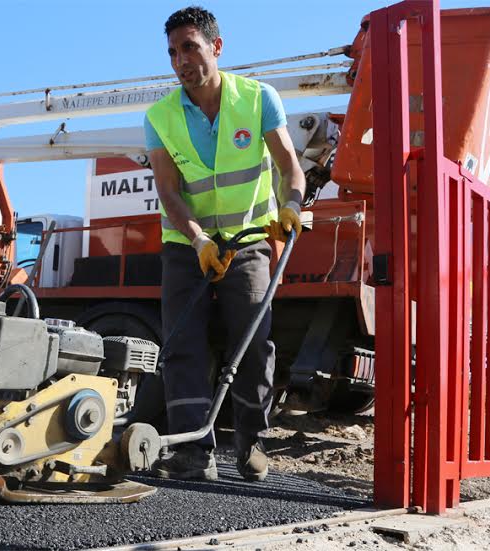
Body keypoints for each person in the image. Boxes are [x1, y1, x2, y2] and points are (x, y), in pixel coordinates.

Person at [146, 6, 305, 481]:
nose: (180, 60)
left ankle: (250, 443)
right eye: (173, 52)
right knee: (182, 344)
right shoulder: (160, 116)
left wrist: (291, 207)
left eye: (190, 47)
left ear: (217, 46)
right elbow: (169, 191)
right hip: (185, 244)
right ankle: (195, 451)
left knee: (253, 341)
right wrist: (197, 241)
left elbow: (289, 166)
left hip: (249, 241)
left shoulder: (258, 99)